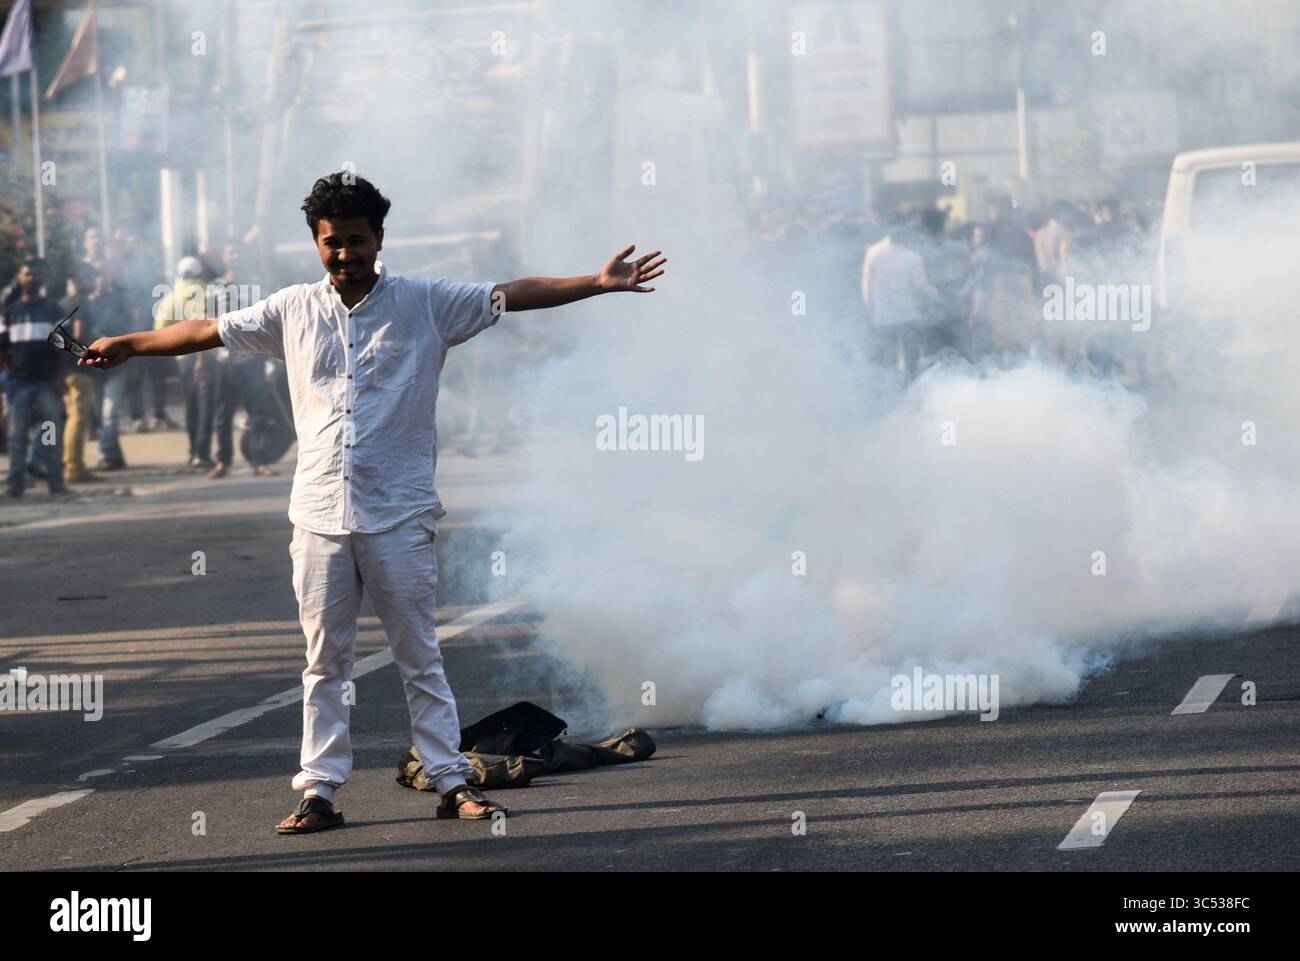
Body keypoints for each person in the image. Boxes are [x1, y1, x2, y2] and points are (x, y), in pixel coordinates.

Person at [79, 172, 667, 832]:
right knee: (323, 663)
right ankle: (319, 792)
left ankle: (452, 781)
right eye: (332, 242)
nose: (344, 253)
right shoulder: (291, 309)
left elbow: (508, 293)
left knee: (420, 655)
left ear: (379, 239)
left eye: (357, 241)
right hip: (318, 517)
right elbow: (207, 329)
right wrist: (129, 344)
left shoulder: (427, 303)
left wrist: (594, 281)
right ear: (316, 243)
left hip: (400, 513)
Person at [1, 259, 74, 499]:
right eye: (27, 274)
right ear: (20, 278)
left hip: (47, 382)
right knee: (16, 437)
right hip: (18, 383)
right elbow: (2, 348)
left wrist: (61, 377)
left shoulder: (54, 311)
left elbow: (64, 348)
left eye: (36, 274)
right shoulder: (10, 313)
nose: (31, 278)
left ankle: (56, 482)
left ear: (44, 279)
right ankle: (16, 484)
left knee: (51, 433)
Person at [862, 212, 940, 378]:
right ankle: (910, 392)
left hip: (883, 316)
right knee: (911, 361)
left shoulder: (873, 253)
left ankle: (890, 394)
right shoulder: (913, 257)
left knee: (888, 361)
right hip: (908, 315)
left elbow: (866, 284)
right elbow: (921, 285)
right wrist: (939, 296)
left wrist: (871, 309)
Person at [59, 267, 103, 483]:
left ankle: (73, 464)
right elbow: (79, 334)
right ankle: (74, 468)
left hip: (63, 369)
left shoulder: (62, 304)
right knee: (78, 417)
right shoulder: (82, 304)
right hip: (77, 369)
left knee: (72, 417)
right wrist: (94, 345)